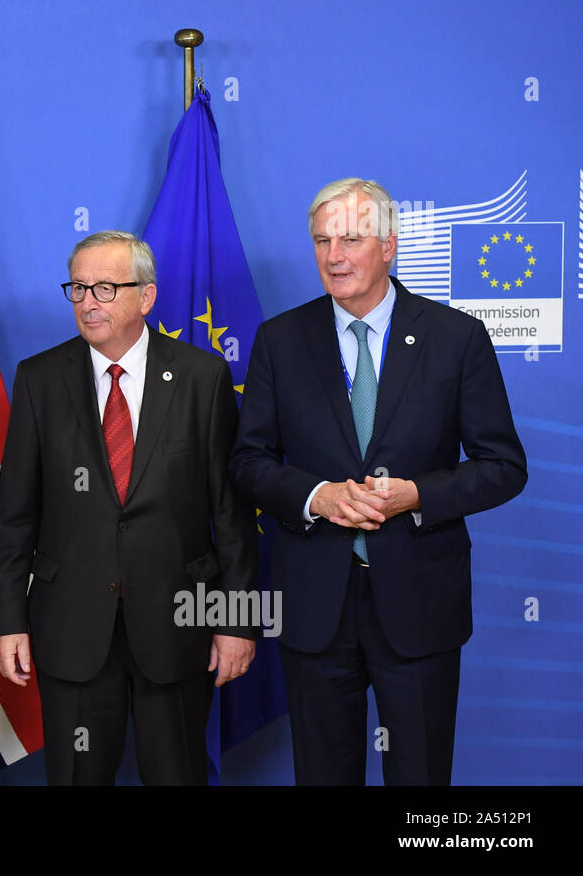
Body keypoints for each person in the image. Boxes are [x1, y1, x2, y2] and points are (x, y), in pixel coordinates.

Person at [229, 178, 528, 784]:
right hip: (315, 606)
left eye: (351, 239)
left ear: (389, 245)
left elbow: (503, 467)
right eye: (321, 241)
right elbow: (248, 462)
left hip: (419, 601)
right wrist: (319, 496)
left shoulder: (456, 338)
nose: (334, 256)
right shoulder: (281, 340)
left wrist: (419, 495)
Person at [0, 230, 258, 785]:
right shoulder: (39, 379)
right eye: (79, 288)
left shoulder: (201, 378)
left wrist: (237, 620)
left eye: (106, 288)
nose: (89, 302)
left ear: (147, 297)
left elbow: (232, 515)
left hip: (179, 622)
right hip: (71, 626)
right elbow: (15, 515)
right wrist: (7, 621)